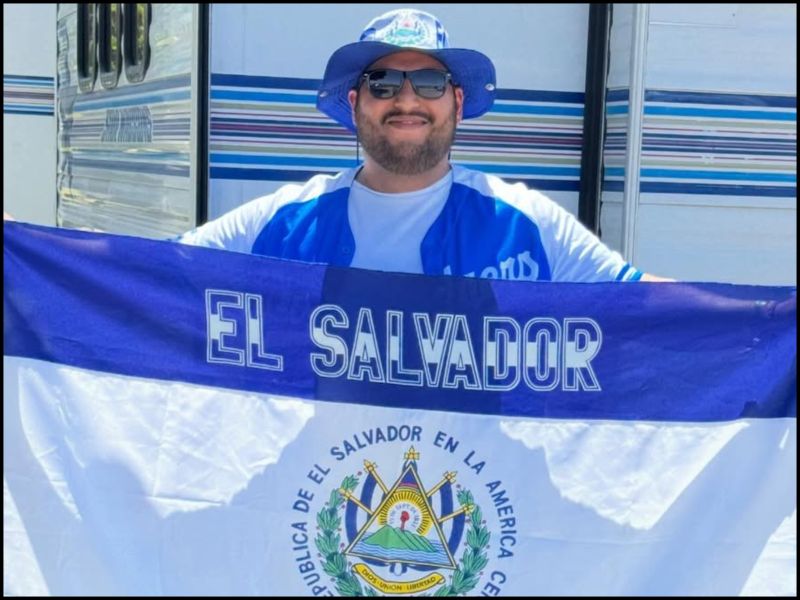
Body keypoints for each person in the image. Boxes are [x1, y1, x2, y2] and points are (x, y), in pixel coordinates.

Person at [186, 10, 664, 281]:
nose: (408, 100)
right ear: (356, 103)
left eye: (431, 82)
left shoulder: (526, 224)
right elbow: (152, 273)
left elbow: (648, 303)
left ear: (456, 100)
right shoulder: (282, 224)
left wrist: (740, 319)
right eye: (384, 82)